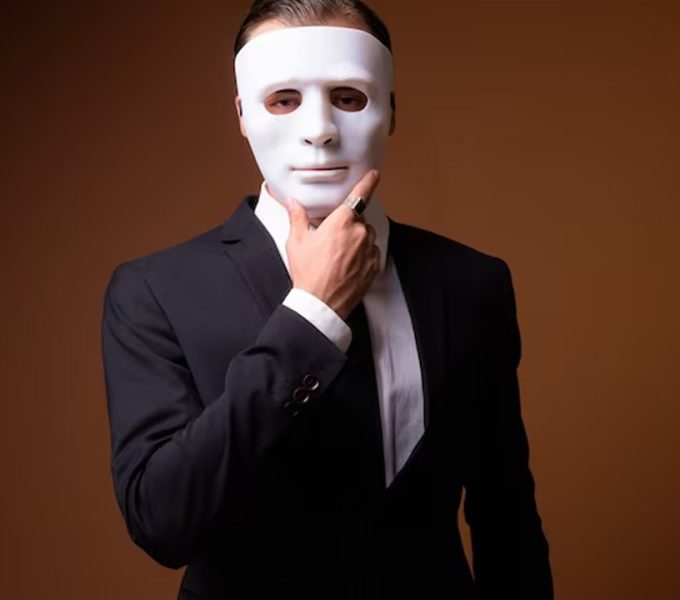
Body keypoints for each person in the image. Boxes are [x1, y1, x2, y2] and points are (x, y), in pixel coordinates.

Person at [100, 1, 553, 597]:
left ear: (391, 110)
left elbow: (506, 518)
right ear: (242, 114)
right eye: (283, 100)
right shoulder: (154, 291)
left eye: (348, 96)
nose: (320, 129)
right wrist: (312, 316)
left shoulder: (471, 284)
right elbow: (162, 521)